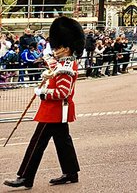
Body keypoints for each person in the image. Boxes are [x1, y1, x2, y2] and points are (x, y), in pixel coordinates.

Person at [4, 17, 84, 189]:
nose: (55, 50)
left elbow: (63, 92)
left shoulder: (66, 67)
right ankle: (71, 173)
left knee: (37, 143)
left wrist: (43, 93)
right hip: (57, 111)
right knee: (63, 142)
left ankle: (25, 177)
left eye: (58, 47)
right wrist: (49, 65)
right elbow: (54, 66)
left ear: (66, 48)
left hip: (53, 111)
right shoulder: (64, 62)